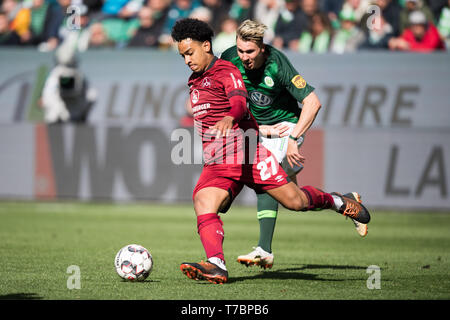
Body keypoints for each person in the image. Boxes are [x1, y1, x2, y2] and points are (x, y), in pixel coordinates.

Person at [171, 18, 371, 284]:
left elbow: (240, 104)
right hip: (220, 159)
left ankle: (339, 201)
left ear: (206, 46)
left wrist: (232, 117)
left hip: (249, 153)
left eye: (190, 53)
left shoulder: (227, 70)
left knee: (295, 202)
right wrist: (260, 129)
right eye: (182, 55)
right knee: (203, 202)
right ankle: (217, 264)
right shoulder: (197, 79)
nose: (186, 60)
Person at [220, 19, 367, 270]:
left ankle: (264, 250)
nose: (244, 57)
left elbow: (313, 102)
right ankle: (343, 202)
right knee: (295, 201)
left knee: (266, 180)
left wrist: (293, 138)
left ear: (262, 48)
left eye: (250, 52)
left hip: (286, 126)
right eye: (241, 50)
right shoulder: (229, 58)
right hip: (260, 131)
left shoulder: (277, 64)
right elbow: (227, 98)